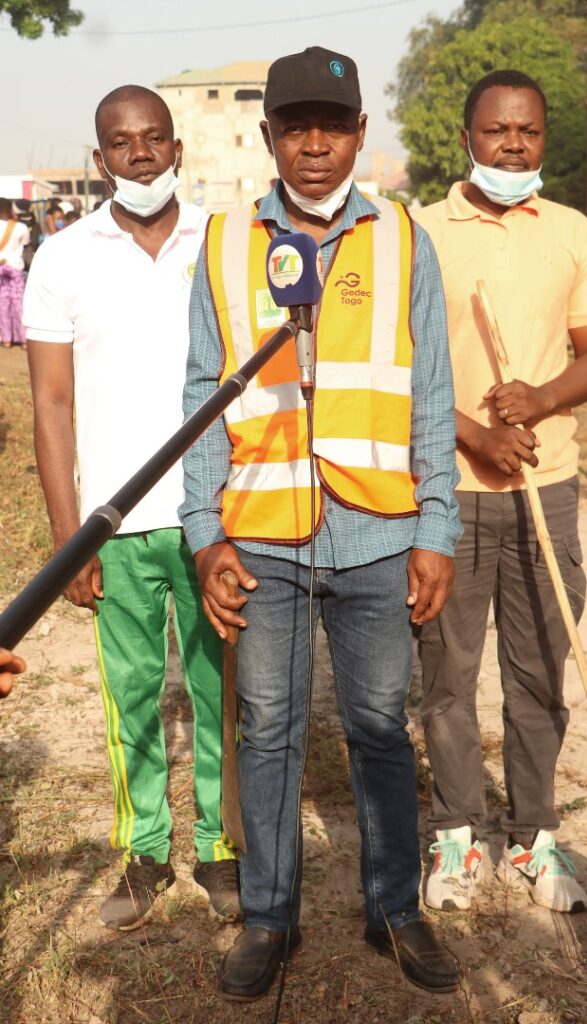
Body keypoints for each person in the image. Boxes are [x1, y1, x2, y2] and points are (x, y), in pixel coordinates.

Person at [181, 46, 462, 1001]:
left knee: (379, 725)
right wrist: (204, 533)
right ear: (268, 136)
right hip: (261, 533)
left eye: (331, 126)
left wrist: (436, 531)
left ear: (358, 134)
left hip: (379, 534)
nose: (313, 145)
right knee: (268, 730)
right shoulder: (224, 243)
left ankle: (395, 909)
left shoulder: (403, 237)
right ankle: (269, 918)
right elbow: (203, 397)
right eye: (294, 126)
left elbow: (431, 395)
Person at [24, 85, 239, 932]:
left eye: (154, 138)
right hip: (112, 525)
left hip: (212, 519)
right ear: (100, 157)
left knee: (221, 692)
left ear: (177, 148)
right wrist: (69, 539)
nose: (140, 153)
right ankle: (145, 851)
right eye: (122, 141)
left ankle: (221, 848)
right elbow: (51, 405)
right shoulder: (63, 257)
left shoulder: (222, 243)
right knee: (132, 698)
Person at [415, 69, 587, 916]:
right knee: (447, 678)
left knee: (538, 675)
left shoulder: (571, 231)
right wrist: (477, 434)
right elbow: (403, 371)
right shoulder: (421, 232)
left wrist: (540, 399)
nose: (512, 145)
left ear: (542, 141)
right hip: (449, 492)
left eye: (527, 131)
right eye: (496, 130)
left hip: (547, 487)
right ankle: (457, 835)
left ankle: (533, 837)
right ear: (466, 137)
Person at [0, 197, 30, 349]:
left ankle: (6, 339)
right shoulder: (21, 227)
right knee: (19, 304)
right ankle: (23, 340)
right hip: (15, 267)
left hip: (1, 266)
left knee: (2, 304)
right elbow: (25, 244)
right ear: (10, 209)